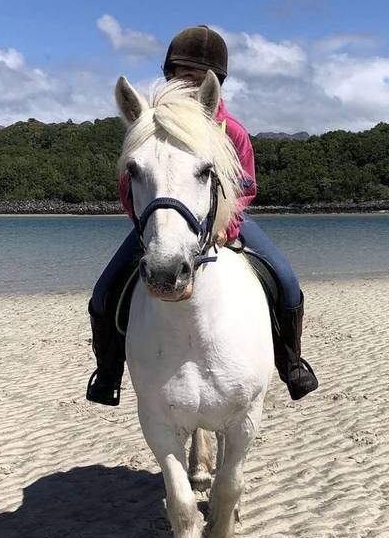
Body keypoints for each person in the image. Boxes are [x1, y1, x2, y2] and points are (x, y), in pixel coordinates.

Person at [87, 25, 318, 405]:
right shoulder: (150, 129)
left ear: (215, 83)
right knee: (103, 293)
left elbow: (246, 188)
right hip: (162, 226)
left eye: (197, 79)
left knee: (287, 282)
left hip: (225, 224)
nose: (188, 86)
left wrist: (227, 225)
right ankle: (108, 374)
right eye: (181, 77)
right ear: (169, 77)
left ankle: (292, 365)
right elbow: (130, 187)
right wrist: (145, 227)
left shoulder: (232, 131)